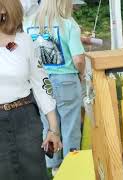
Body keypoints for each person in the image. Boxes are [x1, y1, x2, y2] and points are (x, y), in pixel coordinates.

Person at [0, 0, 62, 179]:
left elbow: (41, 83)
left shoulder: (23, 42)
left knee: (34, 174)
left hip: (25, 119)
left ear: (4, 9)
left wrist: (53, 128)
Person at [23, 0, 85, 175]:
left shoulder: (29, 23)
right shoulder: (68, 23)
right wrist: (81, 74)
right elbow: (79, 59)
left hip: (41, 82)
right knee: (70, 126)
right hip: (66, 80)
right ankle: (72, 170)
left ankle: (54, 166)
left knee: (48, 124)